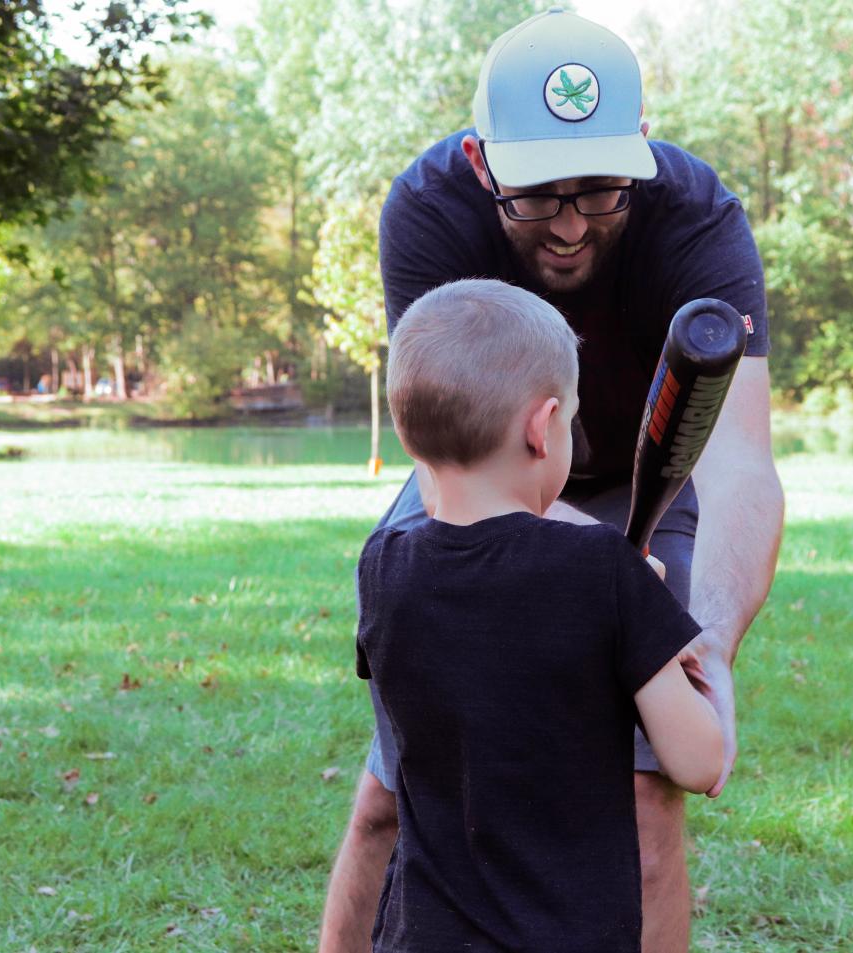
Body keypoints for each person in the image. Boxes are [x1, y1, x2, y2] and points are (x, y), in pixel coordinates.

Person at [320, 9, 784, 952]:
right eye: (537, 195)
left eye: (601, 191)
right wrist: (590, 572)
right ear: (482, 161)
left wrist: (711, 644)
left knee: (649, 804)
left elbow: (738, 456)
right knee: (392, 794)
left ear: (642, 151)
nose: (571, 226)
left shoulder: (698, 217)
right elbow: (441, 438)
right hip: (483, 472)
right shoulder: (428, 209)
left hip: (655, 479)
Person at [358, 278, 725, 951]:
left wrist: (622, 605)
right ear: (540, 426)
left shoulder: (384, 565)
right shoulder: (604, 572)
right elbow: (699, 761)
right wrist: (653, 633)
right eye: (570, 418)